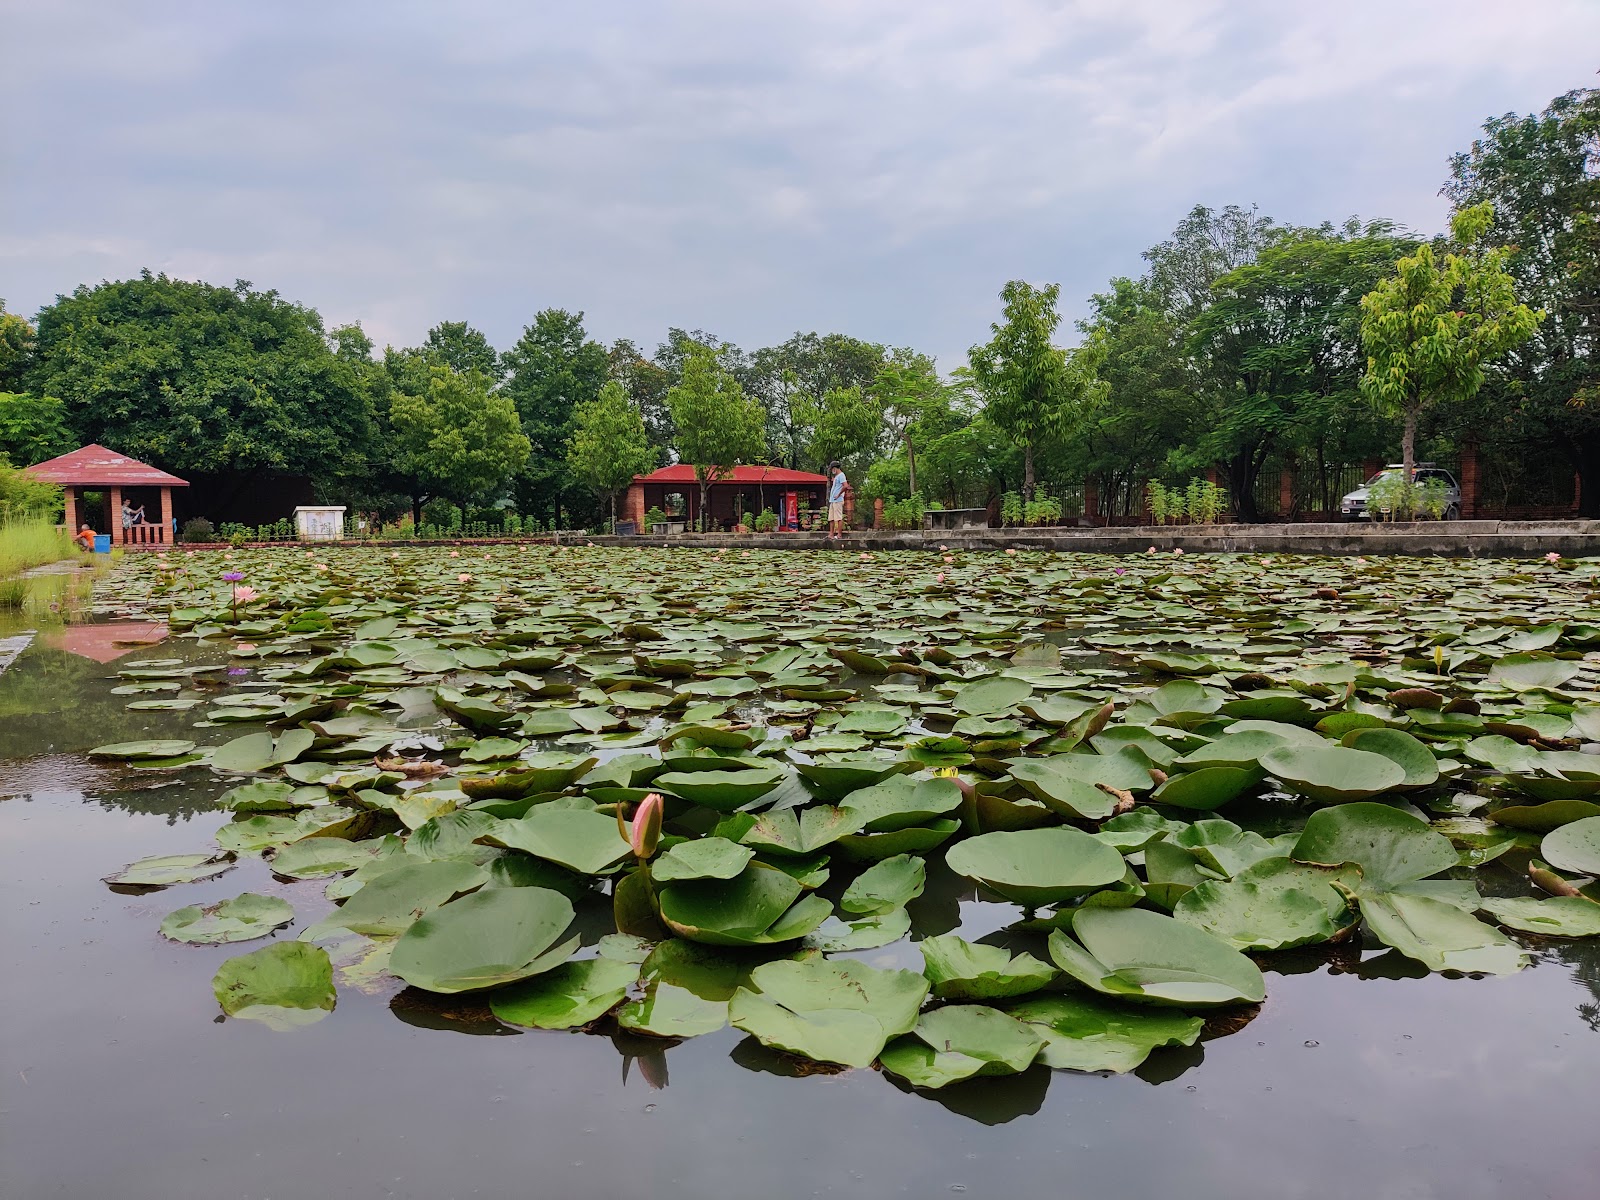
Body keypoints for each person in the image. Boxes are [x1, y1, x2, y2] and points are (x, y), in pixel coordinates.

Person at [827, 462, 848, 541]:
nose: (832, 470)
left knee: (838, 518)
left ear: (835, 468)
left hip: (838, 500)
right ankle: (831, 534)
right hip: (833, 500)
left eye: (832, 469)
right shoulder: (837, 477)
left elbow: (845, 486)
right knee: (831, 518)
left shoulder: (841, 475)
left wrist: (839, 494)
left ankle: (839, 535)